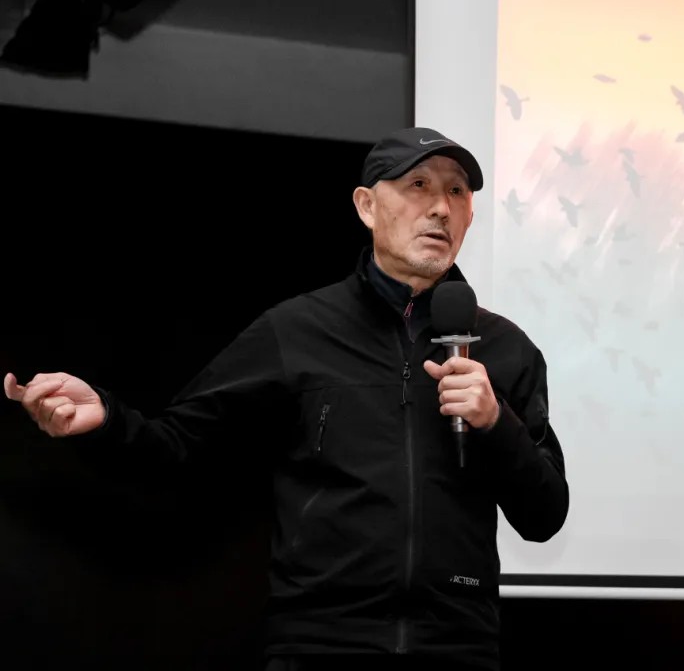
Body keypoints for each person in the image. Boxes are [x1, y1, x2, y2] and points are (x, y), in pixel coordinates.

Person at [3, 126, 570, 671]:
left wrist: (495, 423)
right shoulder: (298, 330)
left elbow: (544, 515)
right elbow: (178, 446)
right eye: (418, 185)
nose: (441, 207)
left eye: (457, 192)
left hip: (457, 648)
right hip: (321, 644)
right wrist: (106, 421)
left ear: (470, 216)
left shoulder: (505, 349)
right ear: (367, 206)